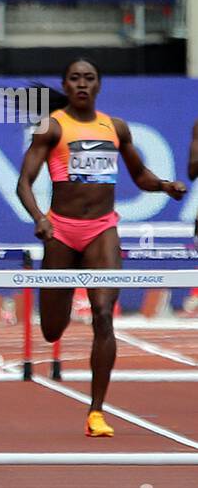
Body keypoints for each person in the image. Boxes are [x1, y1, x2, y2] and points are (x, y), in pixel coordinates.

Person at [15, 59, 187, 437]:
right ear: (65, 84)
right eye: (75, 78)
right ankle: (58, 325)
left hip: (101, 230)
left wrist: (164, 186)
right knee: (52, 329)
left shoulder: (115, 128)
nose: (81, 84)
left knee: (104, 313)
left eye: (88, 79)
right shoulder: (53, 127)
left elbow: (139, 175)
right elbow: (24, 182)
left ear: (98, 86)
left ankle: (96, 412)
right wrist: (39, 219)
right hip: (60, 231)